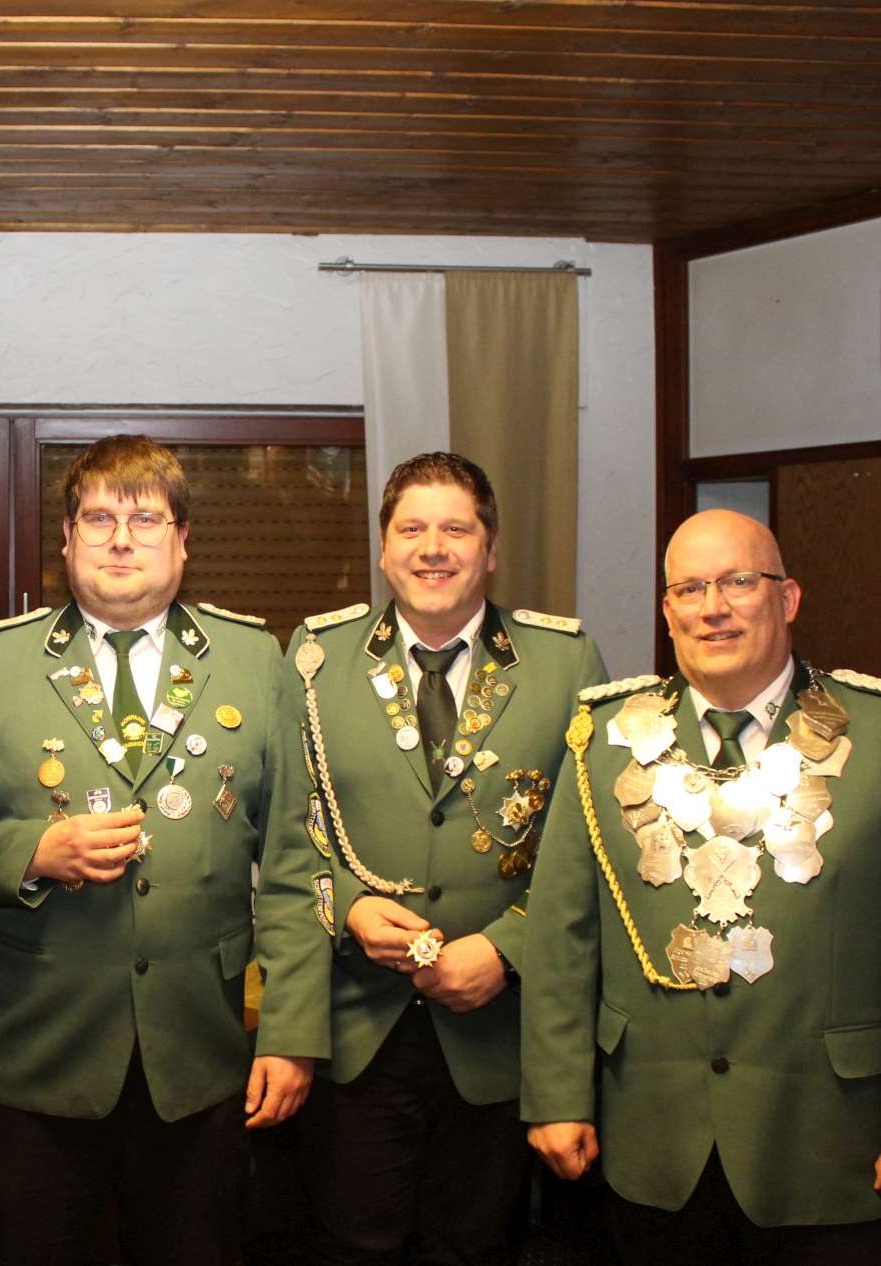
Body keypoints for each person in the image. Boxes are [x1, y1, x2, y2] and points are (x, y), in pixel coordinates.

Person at [520, 508, 881, 1264]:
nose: (714, 607)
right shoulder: (601, 743)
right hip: (649, 1145)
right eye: (691, 588)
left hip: (830, 1147)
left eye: (740, 581)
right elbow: (559, 940)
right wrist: (555, 1096)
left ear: (788, 598)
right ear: (668, 610)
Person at [0, 433, 331, 1266]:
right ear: (67, 540)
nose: (120, 539)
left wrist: (290, 1033)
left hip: (200, 1059)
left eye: (145, 520)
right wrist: (35, 852)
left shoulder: (253, 660)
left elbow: (295, 862)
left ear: (183, 540)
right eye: (98, 518)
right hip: (40, 1059)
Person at [290, 453, 608, 1265]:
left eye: (456, 529)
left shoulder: (564, 663)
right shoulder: (315, 659)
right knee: (348, 1246)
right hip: (357, 1026)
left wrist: (506, 950)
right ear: (384, 548)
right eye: (412, 529)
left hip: (497, 1031)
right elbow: (290, 828)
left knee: (473, 1249)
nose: (433, 548)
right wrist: (348, 906)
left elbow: (589, 850)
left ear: (491, 548)